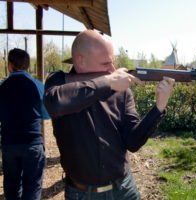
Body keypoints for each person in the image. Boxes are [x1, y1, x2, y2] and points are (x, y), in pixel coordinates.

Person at [43, 30, 175, 200]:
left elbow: (133, 142)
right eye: (105, 63)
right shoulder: (59, 81)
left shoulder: (121, 91)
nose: (112, 69)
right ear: (80, 61)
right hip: (82, 194)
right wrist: (107, 82)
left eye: (112, 62)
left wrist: (159, 107)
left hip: (124, 189)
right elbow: (55, 104)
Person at [0, 48, 50, 200]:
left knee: (11, 185)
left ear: (9, 65)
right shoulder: (38, 86)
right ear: (28, 65)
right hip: (32, 143)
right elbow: (46, 114)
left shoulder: (2, 86)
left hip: (9, 144)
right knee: (32, 186)